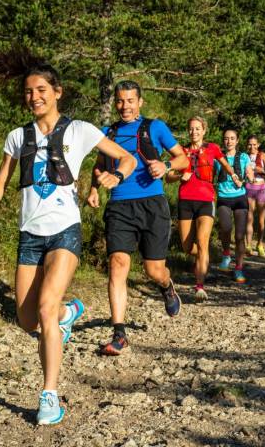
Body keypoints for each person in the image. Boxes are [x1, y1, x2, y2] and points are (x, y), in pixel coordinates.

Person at [0, 52, 136, 425]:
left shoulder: (80, 130)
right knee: (27, 320)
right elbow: (1, 184)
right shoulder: (17, 137)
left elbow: (125, 159)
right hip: (29, 235)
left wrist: (117, 177)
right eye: (29, 92)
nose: (34, 97)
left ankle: (49, 395)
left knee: (44, 308)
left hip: (65, 230)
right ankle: (69, 313)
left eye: (41, 90)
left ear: (57, 92)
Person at [87, 80, 188, 356]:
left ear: (140, 102)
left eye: (130, 100)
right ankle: (119, 334)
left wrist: (165, 164)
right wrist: (94, 188)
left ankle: (166, 287)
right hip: (120, 205)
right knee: (118, 263)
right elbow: (99, 166)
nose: (125, 106)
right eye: (120, 101)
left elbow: (183, 159)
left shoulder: (155, 127)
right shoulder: (109, 133)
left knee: (154, 270)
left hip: (152, 205)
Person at [165, 117, 238, 301]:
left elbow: (225, 163)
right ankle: (204, 257)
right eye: (191, 129)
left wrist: (235, 176)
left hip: (206, 199)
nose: (194, 132)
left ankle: (199, 287)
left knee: (202, 240)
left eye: (197, 129)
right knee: (187, 247)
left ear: (204, 130)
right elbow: (168, 177)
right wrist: (180, 177)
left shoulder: (212, 148)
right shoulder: (181, 151)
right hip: (185, 201)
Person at [214, 128, 254, 283]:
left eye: (232, 138)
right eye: (226, 138)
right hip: (223, 196)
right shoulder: (218, 158)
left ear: (237, 141)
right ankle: (226, 254)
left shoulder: (243, 157)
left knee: (239, 236)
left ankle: (238, 268)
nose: (229, 141)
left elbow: (249, 172)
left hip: (240, 198)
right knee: (225, 228)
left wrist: (250, 177)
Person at [244, 135, 265, 257]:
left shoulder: (263, 155)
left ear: (258, 144)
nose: (252, 147)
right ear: (247, 145)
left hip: (261, 188)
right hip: (248, 188)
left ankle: (260, 244)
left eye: (254, 144)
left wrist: (261, 170)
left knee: (261, 220)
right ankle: (248, 245)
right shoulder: (244, 157)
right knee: (249, 218)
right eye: (250, 144)